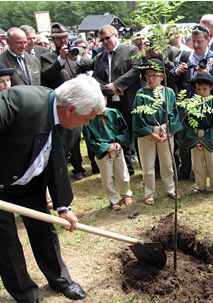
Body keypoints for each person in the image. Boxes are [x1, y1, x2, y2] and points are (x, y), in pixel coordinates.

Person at [0, 74, 105, 303]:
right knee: (7, 243)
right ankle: (27, 298)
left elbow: (57, 162)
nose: (86, 123)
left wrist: (64, 206)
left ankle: (60, 279)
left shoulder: (69, 123)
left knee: (45, 230)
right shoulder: (20, 101)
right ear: (71, 109)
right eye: (86, 118)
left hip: (30, 183)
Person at [171, 25, 213, 180]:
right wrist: (177, 71)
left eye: (199, 42)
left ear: (208, 40)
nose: (195, 45)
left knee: (205, 135)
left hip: (207, 105)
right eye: (193, 41)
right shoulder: (184, 57)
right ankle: (185, 170)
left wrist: (208, 76)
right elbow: (170, 77)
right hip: (186, 103)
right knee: (185, 137)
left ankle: (206, 170)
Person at [41, 23, 95, 181]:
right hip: (64, 106)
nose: (63, 41)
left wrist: (75, 58)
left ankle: (94, 164)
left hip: (82, 101)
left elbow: (90, 64)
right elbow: (47, 75)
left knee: (87, 134)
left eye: (64, 37)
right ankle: (76, 168)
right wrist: (60, 60)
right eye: (59, 39)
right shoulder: (48, 57)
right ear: (53, 40)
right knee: (70, 139)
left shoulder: (76, 52)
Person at [93, 25, 141, 177]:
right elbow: (95, 77)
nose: (105, 42)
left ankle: (146, 166)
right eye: (102, 40)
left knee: (137, 134)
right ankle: (125, 168)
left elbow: (136, 69)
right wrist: (108, 89)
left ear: (116, 36)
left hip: (129, 100)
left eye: (107, 38)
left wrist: (117, 85)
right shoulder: (99, 58)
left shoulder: (131, 50)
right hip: (111, 104)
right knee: (117, 135)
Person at [132, 59, 182, 205]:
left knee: (167, 163)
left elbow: (173, 114)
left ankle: (171, 189)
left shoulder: (169, 92)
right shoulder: (141, 94)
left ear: (162, 76)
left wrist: (170, 132)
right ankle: (149, 194)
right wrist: (150, 134)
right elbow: (138, 117)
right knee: (148, 166)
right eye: (148, 76)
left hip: (165, 132)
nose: (151, 78)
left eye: (154, 75)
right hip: (148, 134)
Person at [83, 84, 133, 211]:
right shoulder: (89, 118)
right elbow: (89, 139)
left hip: (117, 149)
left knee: (122, 174)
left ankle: (126, 194)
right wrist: (104, 146)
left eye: (103, 98)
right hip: (103, 152)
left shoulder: (114, 113)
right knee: (106, 177)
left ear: (106, 99)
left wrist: (119, 142)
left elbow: (124, 130)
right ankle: (113, 200)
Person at [183, 72, 213, 196]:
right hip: (195, 134)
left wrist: (205, 140)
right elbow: (186, 123)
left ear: (211, 88)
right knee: (197, 162)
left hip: (210, 135)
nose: (201, 92)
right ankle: (200, 185)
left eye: (204, 89)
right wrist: (195, 140)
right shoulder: (192, 103)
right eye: (198, 89)